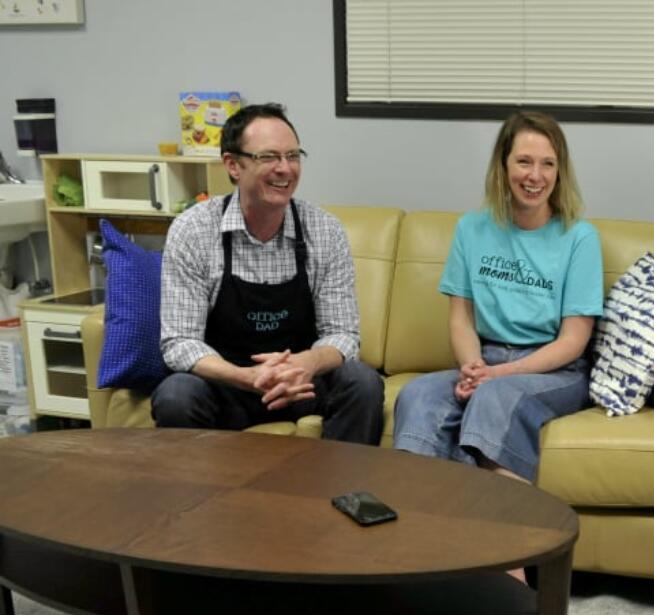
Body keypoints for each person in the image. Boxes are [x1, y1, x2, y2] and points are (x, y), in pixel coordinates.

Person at [152, 103, 383, 444]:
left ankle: (344, 492)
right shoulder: (193, 230)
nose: (285, 169)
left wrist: (304, 364)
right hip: (228, 384)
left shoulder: (324, 230)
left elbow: (344, 334)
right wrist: (247, 377)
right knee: (176, 395)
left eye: (293, 156)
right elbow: (179, 342)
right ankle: (204, 497)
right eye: (269, 157)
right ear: (233, 165)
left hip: (303, 383)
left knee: (362, 381)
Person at [391, 111, 603, 483]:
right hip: (485, 358)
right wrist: (474, 368)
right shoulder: (471, 228)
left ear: (559, 171)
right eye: (524, 161)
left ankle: (501, 528)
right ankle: (422, 517)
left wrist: (500, 375)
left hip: (555, 368)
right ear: (503, 166)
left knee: (494, 397)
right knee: (417, 395)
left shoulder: (579, 237)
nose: (535, 176)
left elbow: (574, 340)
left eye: (547, 164)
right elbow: (461, 319)